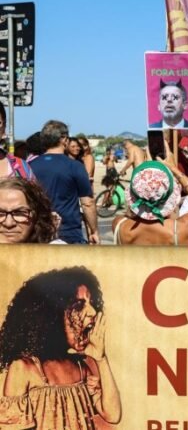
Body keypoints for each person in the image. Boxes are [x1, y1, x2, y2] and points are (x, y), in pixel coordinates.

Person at [0, 267, 122, 428]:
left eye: (91, 303)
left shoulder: (81, 368)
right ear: (52, 314)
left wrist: (101, 358)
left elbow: (113, 414)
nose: (92, 312)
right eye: (79, 305)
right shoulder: (23, 368)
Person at [112, 157, 188, 245]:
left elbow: (129, 213)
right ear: (169, 197)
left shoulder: (119, 225)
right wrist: (175, 170)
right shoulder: (180, 230)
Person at [30, 121, 98, 244]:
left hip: (38, 232)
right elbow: (87, 203)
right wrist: (94, 231)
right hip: (68, 233)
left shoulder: (29, 166)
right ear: (64, 140)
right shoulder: (75, 166)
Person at [0, 178, 59, 244]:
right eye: (0, 214)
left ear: (37, 216)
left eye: (19, 213)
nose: (9, 223)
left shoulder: (57, 249)